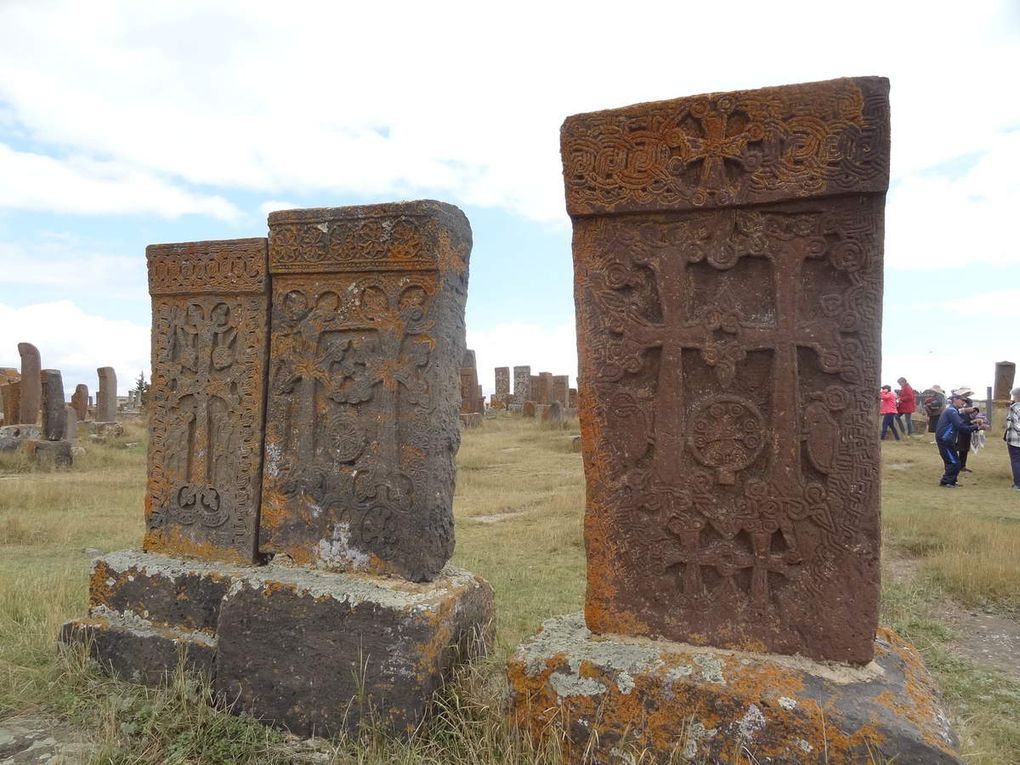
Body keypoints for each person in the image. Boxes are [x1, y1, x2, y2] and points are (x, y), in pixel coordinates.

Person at [934, 390, 988, 487]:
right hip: (945, 439)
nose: (964, 403)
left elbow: (961, 422)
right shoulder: (951, 411)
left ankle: (952, 481)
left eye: (965, 401)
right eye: (962, 400)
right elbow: (961, 427)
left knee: (952, 461)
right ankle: (946, 482)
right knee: (954, 462)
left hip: (947, 439)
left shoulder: (952, 410)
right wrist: (977, 427)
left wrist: (973, 422)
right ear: (955, 400)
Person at [1005, 386, 1020, 491]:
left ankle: (1018, 484)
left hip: (1014, 439)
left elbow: (1016, 424)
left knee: (1016, 461)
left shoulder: (1014, 407)